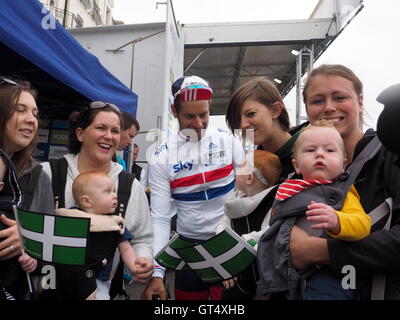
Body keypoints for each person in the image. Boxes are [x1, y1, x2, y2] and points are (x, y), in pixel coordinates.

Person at [288, 64, 400, 300]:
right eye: (318, 100)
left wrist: (323, 251)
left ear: (360, 102)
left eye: (339, 97)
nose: (329, 107)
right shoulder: (303, 169)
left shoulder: (391, 153)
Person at [143, 75, 245, 300]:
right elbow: (160, 217)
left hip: (227, 241)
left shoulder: (229, 141)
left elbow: (247, 195)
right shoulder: (161, 157)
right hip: (189, 248)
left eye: (204, 114)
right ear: (174, 111)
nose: (198, 124)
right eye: (189, 116)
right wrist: (158, 272)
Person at [40, 101, 153, 299]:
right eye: (101, 128)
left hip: (99, 289)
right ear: (80, 134)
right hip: (47, 288)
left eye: (115, 131)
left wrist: (142, 260)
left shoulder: (131, 187)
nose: (108, 136)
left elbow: (142, 238)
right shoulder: (47, 174)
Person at [259, 120, 372, 300]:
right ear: (296, 165)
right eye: (311, 150)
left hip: (328, 274)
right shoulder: (288, 190)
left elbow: (363, 224)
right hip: (284, 274)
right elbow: (271, 231)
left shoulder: (342, 192)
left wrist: (337, 221)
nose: (320, 154)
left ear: (344, 164)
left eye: (329, 150)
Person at [0, 77, 54, 300]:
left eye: (34, 113)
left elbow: (50, 242)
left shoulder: (39, 175)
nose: (31, 120)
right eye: (20, 110)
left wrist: (28, 236)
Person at [59, 171, 140, 300]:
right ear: (86, 201)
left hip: (98, 283)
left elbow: (126, 248)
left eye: (114, 191)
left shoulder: (115, 223)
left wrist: (133, 266)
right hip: (67, 278)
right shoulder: (71, 218)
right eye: (108, 191)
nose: (115, 195)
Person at [215, 149, 282, 300]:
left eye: (240, 167)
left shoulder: (272, 202)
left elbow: (268, 233)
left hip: (262, 278)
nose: (235, 170)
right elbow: (222, 227)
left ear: (249, 178)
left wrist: (241, 242)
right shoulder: (235, 199)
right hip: (236, 278)